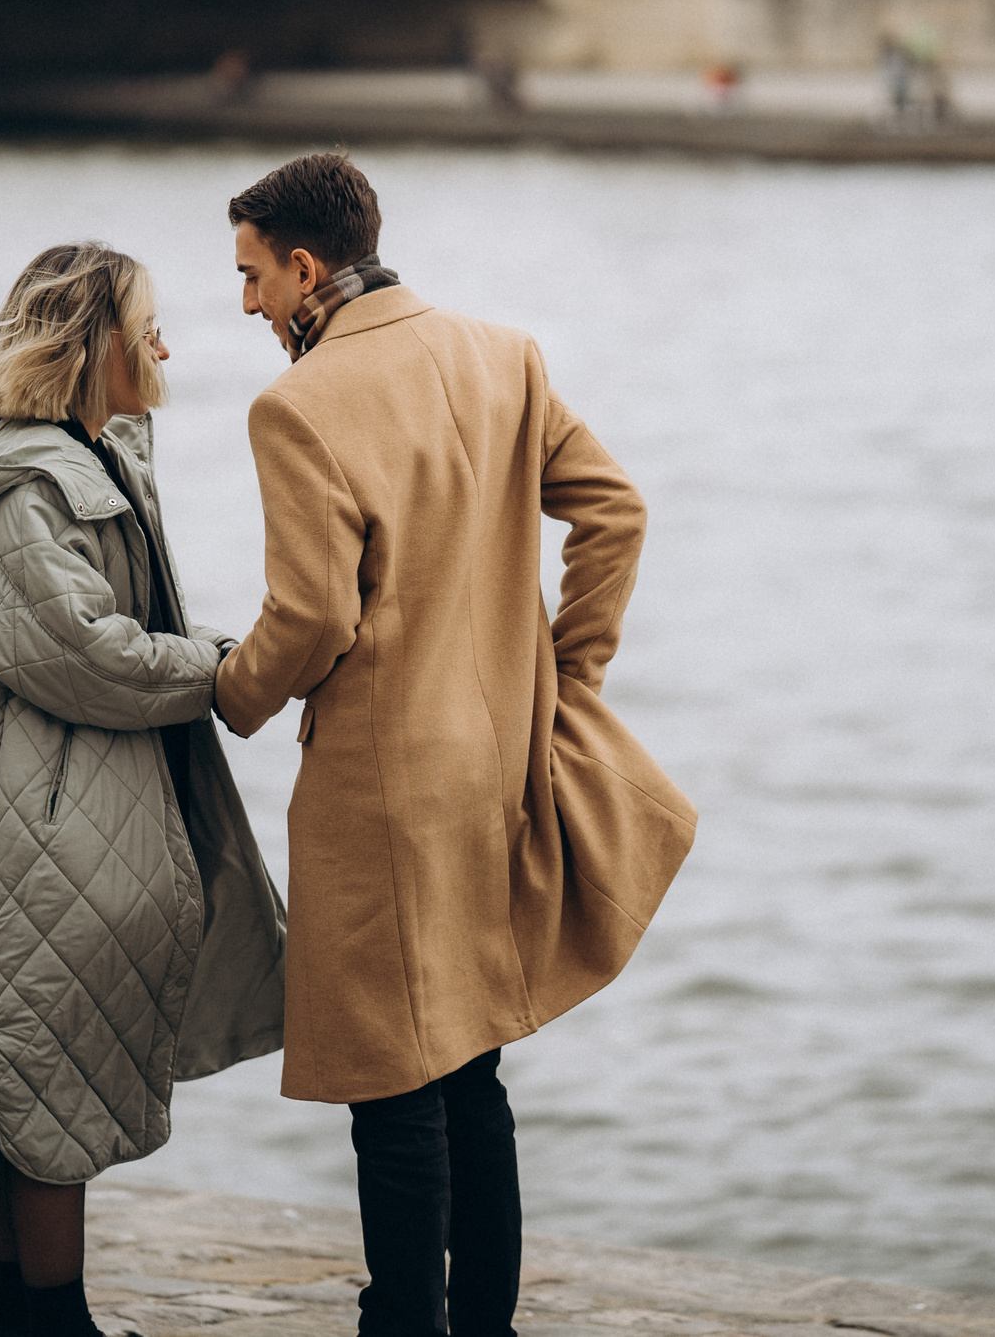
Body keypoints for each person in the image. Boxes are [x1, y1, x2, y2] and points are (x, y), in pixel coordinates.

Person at [213, 153, 696, 1337]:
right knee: (470, 1068)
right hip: (497, 770)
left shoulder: (298, 406)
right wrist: (566, 676)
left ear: (306, 268)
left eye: (252, 275)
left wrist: (231, 692)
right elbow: (615, 513)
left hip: (379, 789)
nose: (247, 303)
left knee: (391, 1090)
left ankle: (404, 1326)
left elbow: (311, 618)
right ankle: (484, 1323)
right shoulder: (501, 355)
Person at [0, 242, 286, 1337]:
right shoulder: (29, 492)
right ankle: (52, 1321)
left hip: (48, 821)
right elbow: (84, 652)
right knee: (38, 1079)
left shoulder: (85, 462)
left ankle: (28, 1321)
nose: (167, 346)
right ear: (95, 345)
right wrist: (221, 667)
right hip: (25, 840)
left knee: (35, 1075)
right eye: (149, 326)